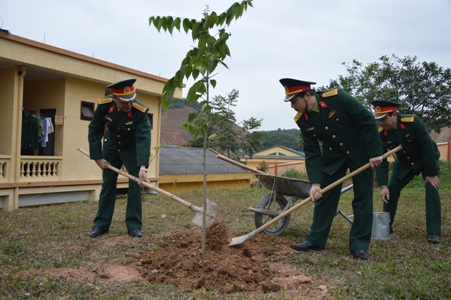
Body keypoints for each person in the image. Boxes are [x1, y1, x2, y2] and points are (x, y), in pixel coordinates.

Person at [280, 78, 383, 260]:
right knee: (324, 196)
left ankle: (359, 245)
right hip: (333, 156)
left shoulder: (337, 98)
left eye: (294, 101)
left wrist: (375, 152)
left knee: (362, 198)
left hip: (360, 152)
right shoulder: (303, 120)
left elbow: (366, 119)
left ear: (307, 95)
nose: (292, 106)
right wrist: (315, 183)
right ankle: (316, 239)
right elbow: (311, 152)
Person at [88, 78, 151, 238]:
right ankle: (101, 224)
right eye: (124, 102)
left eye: (131, 100)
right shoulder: (104, 106)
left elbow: (144, 138)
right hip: (111, 147)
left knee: (135, 184)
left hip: (132, 149)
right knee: (108, 184)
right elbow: (94, 130)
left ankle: (134, 226)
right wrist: (97, 158)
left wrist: (143, 167)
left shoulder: (140, 111)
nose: (129, 104)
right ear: (114, 98)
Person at [372, 100, 441, 244]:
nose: (381, 123)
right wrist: (383, 185)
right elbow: (381, 160)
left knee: (431, 187)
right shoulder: (381, 133)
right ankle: (386, 225)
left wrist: (431, 174)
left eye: (383, 119)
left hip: (425, 158)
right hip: (404, 163)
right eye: (378, 119)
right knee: (391, 190)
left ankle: (434, 232)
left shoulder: (412, 122)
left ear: (394, 114)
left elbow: (427, 147)